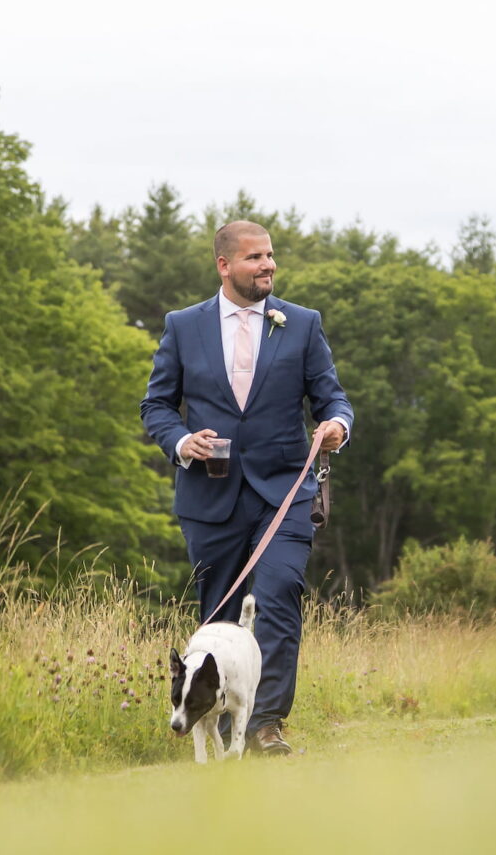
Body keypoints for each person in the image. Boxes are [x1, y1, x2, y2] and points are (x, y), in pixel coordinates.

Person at [141, 220, 353, 754]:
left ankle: (265, 725)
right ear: (224, 265)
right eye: (255, 257)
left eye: (270, 256)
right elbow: (157, 406)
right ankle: (213, 727)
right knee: (218, 616)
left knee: (279, 594)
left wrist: (336, 428)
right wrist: (182, 440)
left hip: (284, 491)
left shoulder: (301, 324)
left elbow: (332, 399)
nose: (268, 265)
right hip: (209, 496)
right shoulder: (183, 326)